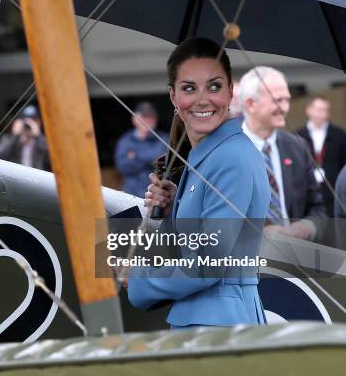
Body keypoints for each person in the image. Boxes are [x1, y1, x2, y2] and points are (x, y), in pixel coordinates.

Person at [128, 37, 270, 328]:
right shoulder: (212, 156)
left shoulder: (228, 158)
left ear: (231, 92)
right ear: (173, 96)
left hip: (216, 330)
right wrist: (171, 214)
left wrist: (139, 280)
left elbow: (209, 263)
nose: (202, 99)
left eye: (214, 86)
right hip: (216, 325)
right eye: (189, 88)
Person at [239, 67, 325, 240]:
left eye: (287, 100)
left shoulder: (297, 147)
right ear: (251, 104)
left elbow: (318, 208)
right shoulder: (221, 151)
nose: (285, 108)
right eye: (278, 100)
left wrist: (306, 226)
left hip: (295, 258)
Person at [296, 96, 346, 217]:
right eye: (319, 110)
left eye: (326, 110)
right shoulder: (297, 135)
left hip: (333, 192)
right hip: (308, 194)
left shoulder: (340, 135)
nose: (323, 114)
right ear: (308, 110)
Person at [114, 102, 168, 197]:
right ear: (134, 119)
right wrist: (150, 160)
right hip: (131, 195)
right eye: (144, 117)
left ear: (156, 119)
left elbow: (163, 161)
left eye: (151, 117)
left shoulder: (164, 138)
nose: (147, 120)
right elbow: (122, 166)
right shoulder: (125, 140)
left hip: (157, 196)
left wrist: (135, 156)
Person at [0, 105, 50, 171]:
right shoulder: (10, 139)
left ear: (39, 122)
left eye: (33, 120)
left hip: (37, 179)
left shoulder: (42, 141)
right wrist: (14, 136)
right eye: (25, 121)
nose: (28, 125)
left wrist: (38, 136)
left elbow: (52, 160)